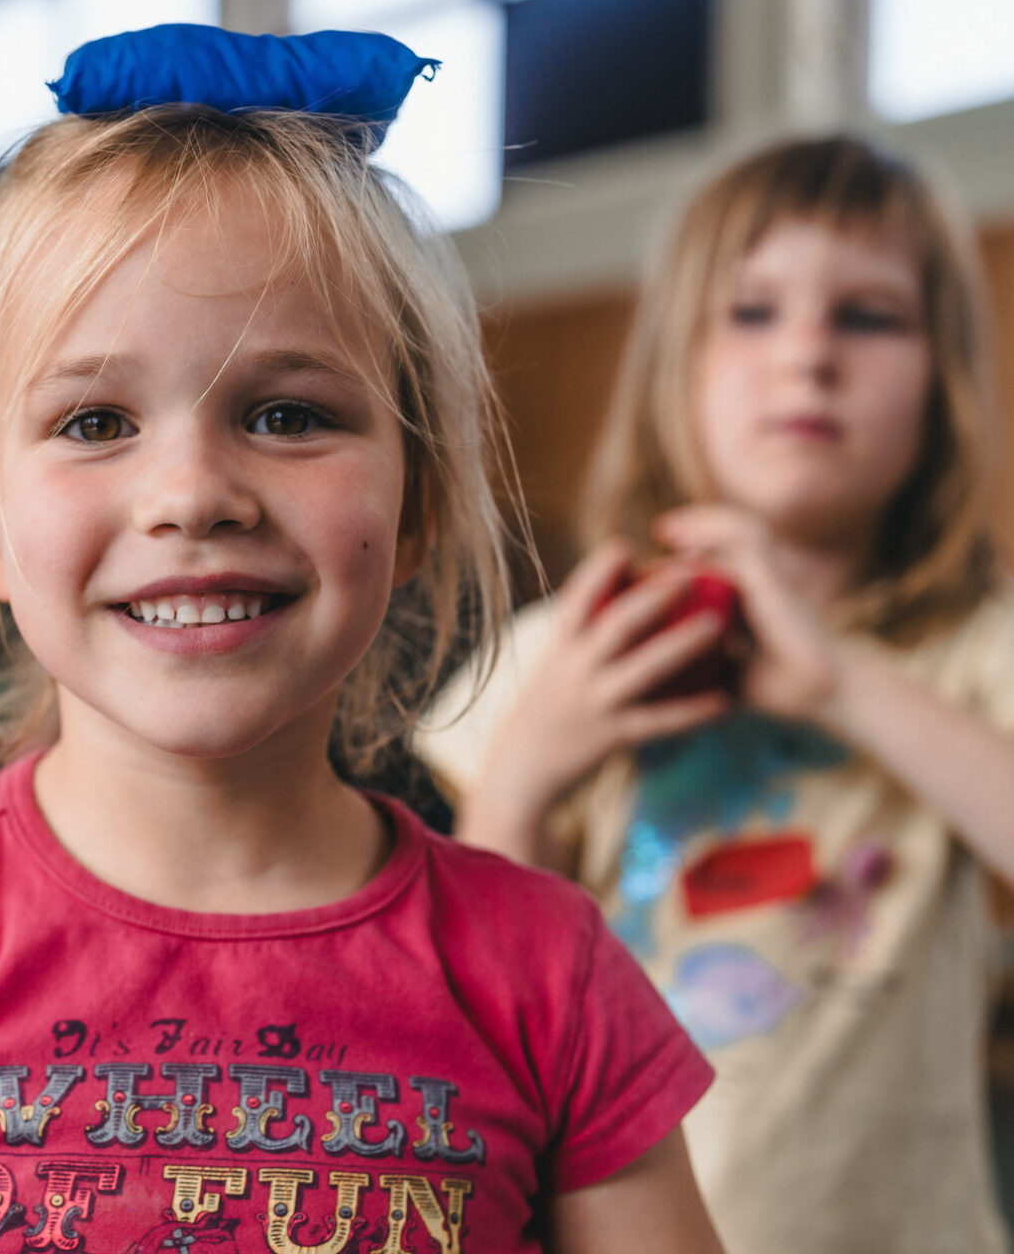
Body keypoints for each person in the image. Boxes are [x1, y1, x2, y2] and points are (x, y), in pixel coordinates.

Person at [0, 25, 723, 1254]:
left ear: (414, 501)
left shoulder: (550, 971)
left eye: (285, 412)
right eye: (95, 419)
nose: (192, 491)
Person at [415, 135, 1014, 1254]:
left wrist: (838, 680)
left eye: (869, 315)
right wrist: (531, 768)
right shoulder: (568, 649)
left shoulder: (965, 651)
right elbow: (467, 991)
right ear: (668, 369)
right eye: (750, 311)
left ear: (944, 377)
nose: (807, 357)